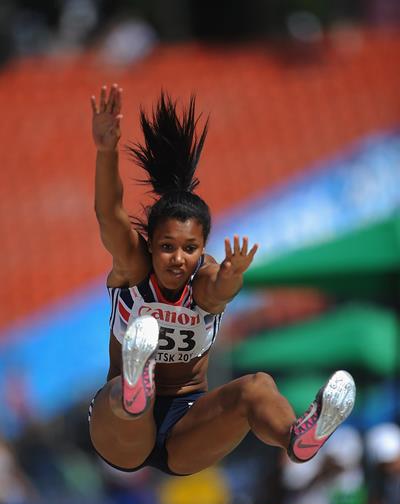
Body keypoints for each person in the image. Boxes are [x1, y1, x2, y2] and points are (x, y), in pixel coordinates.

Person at [88, 83, 356, 477]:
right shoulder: (133, 267)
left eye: (189, 248)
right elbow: (109, 214)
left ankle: (296, 435)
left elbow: (217, 293)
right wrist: (106, 150)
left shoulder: (206, 275)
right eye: (166, 247)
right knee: (126, 403)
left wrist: (231, 277)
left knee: (257, 386)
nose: (177, 259)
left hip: (189, 424)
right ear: (151, 242)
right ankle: (135, 387)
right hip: (120, 429)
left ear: (202, 248)